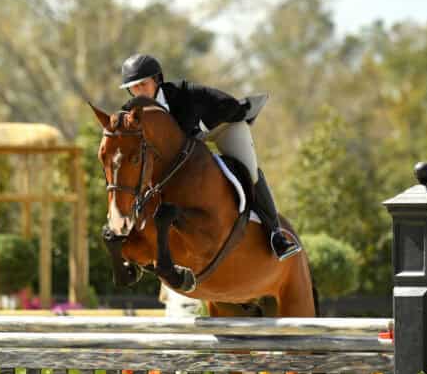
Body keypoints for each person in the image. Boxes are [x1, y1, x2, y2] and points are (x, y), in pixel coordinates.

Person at [118, 53, 301, 260]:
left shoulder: (184, 92)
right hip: (188, 145)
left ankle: (276, 235)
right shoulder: (131, 113)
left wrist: (202, 126)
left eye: (143, 84)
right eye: (134, 87)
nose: (139, 91)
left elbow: (230, 105)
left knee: (250, 171)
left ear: (157, 80)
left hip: (223, 126)